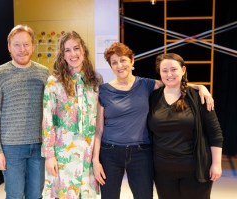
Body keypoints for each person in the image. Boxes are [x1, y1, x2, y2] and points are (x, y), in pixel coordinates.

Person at [92, 42, 214, 199]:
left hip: (141, 153)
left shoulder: (146, 84)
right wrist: (95, 160)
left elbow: (174, 83)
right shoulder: (104, 91)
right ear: (110, 66)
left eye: (123, 60)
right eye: (114, 62)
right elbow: (99, 129)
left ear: (132, 61)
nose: (119, 65)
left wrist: (200, 87)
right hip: (110, 153)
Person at [0, 24, 50, 199]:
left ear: (33, 46)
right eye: (17, 45)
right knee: (14, 195)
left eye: (26, 44)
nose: (22, 49)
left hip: (39, 146)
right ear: (9, 47)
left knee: (36, 195)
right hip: (11, 148)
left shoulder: (44, 74)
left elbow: (51, 111)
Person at [148, 53, 223, 199]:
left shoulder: (199, 96)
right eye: (164, 70)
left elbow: (215, 133)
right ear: (160, 73)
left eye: (174, 69)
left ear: (183, 70)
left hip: (195, 170)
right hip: (163, 172)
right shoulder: (153, 97)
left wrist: (216, 164)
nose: (169, 74)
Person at [41, 31, 102, 199]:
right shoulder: (54, 81)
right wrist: (49, 156)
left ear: (83, 50)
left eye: (76, 48)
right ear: (62, 54)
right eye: (67, 50)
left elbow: (99, 121)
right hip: (63, 153)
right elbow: (47, 121)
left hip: (89, 152)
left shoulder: (96, 80)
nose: (73, 54)